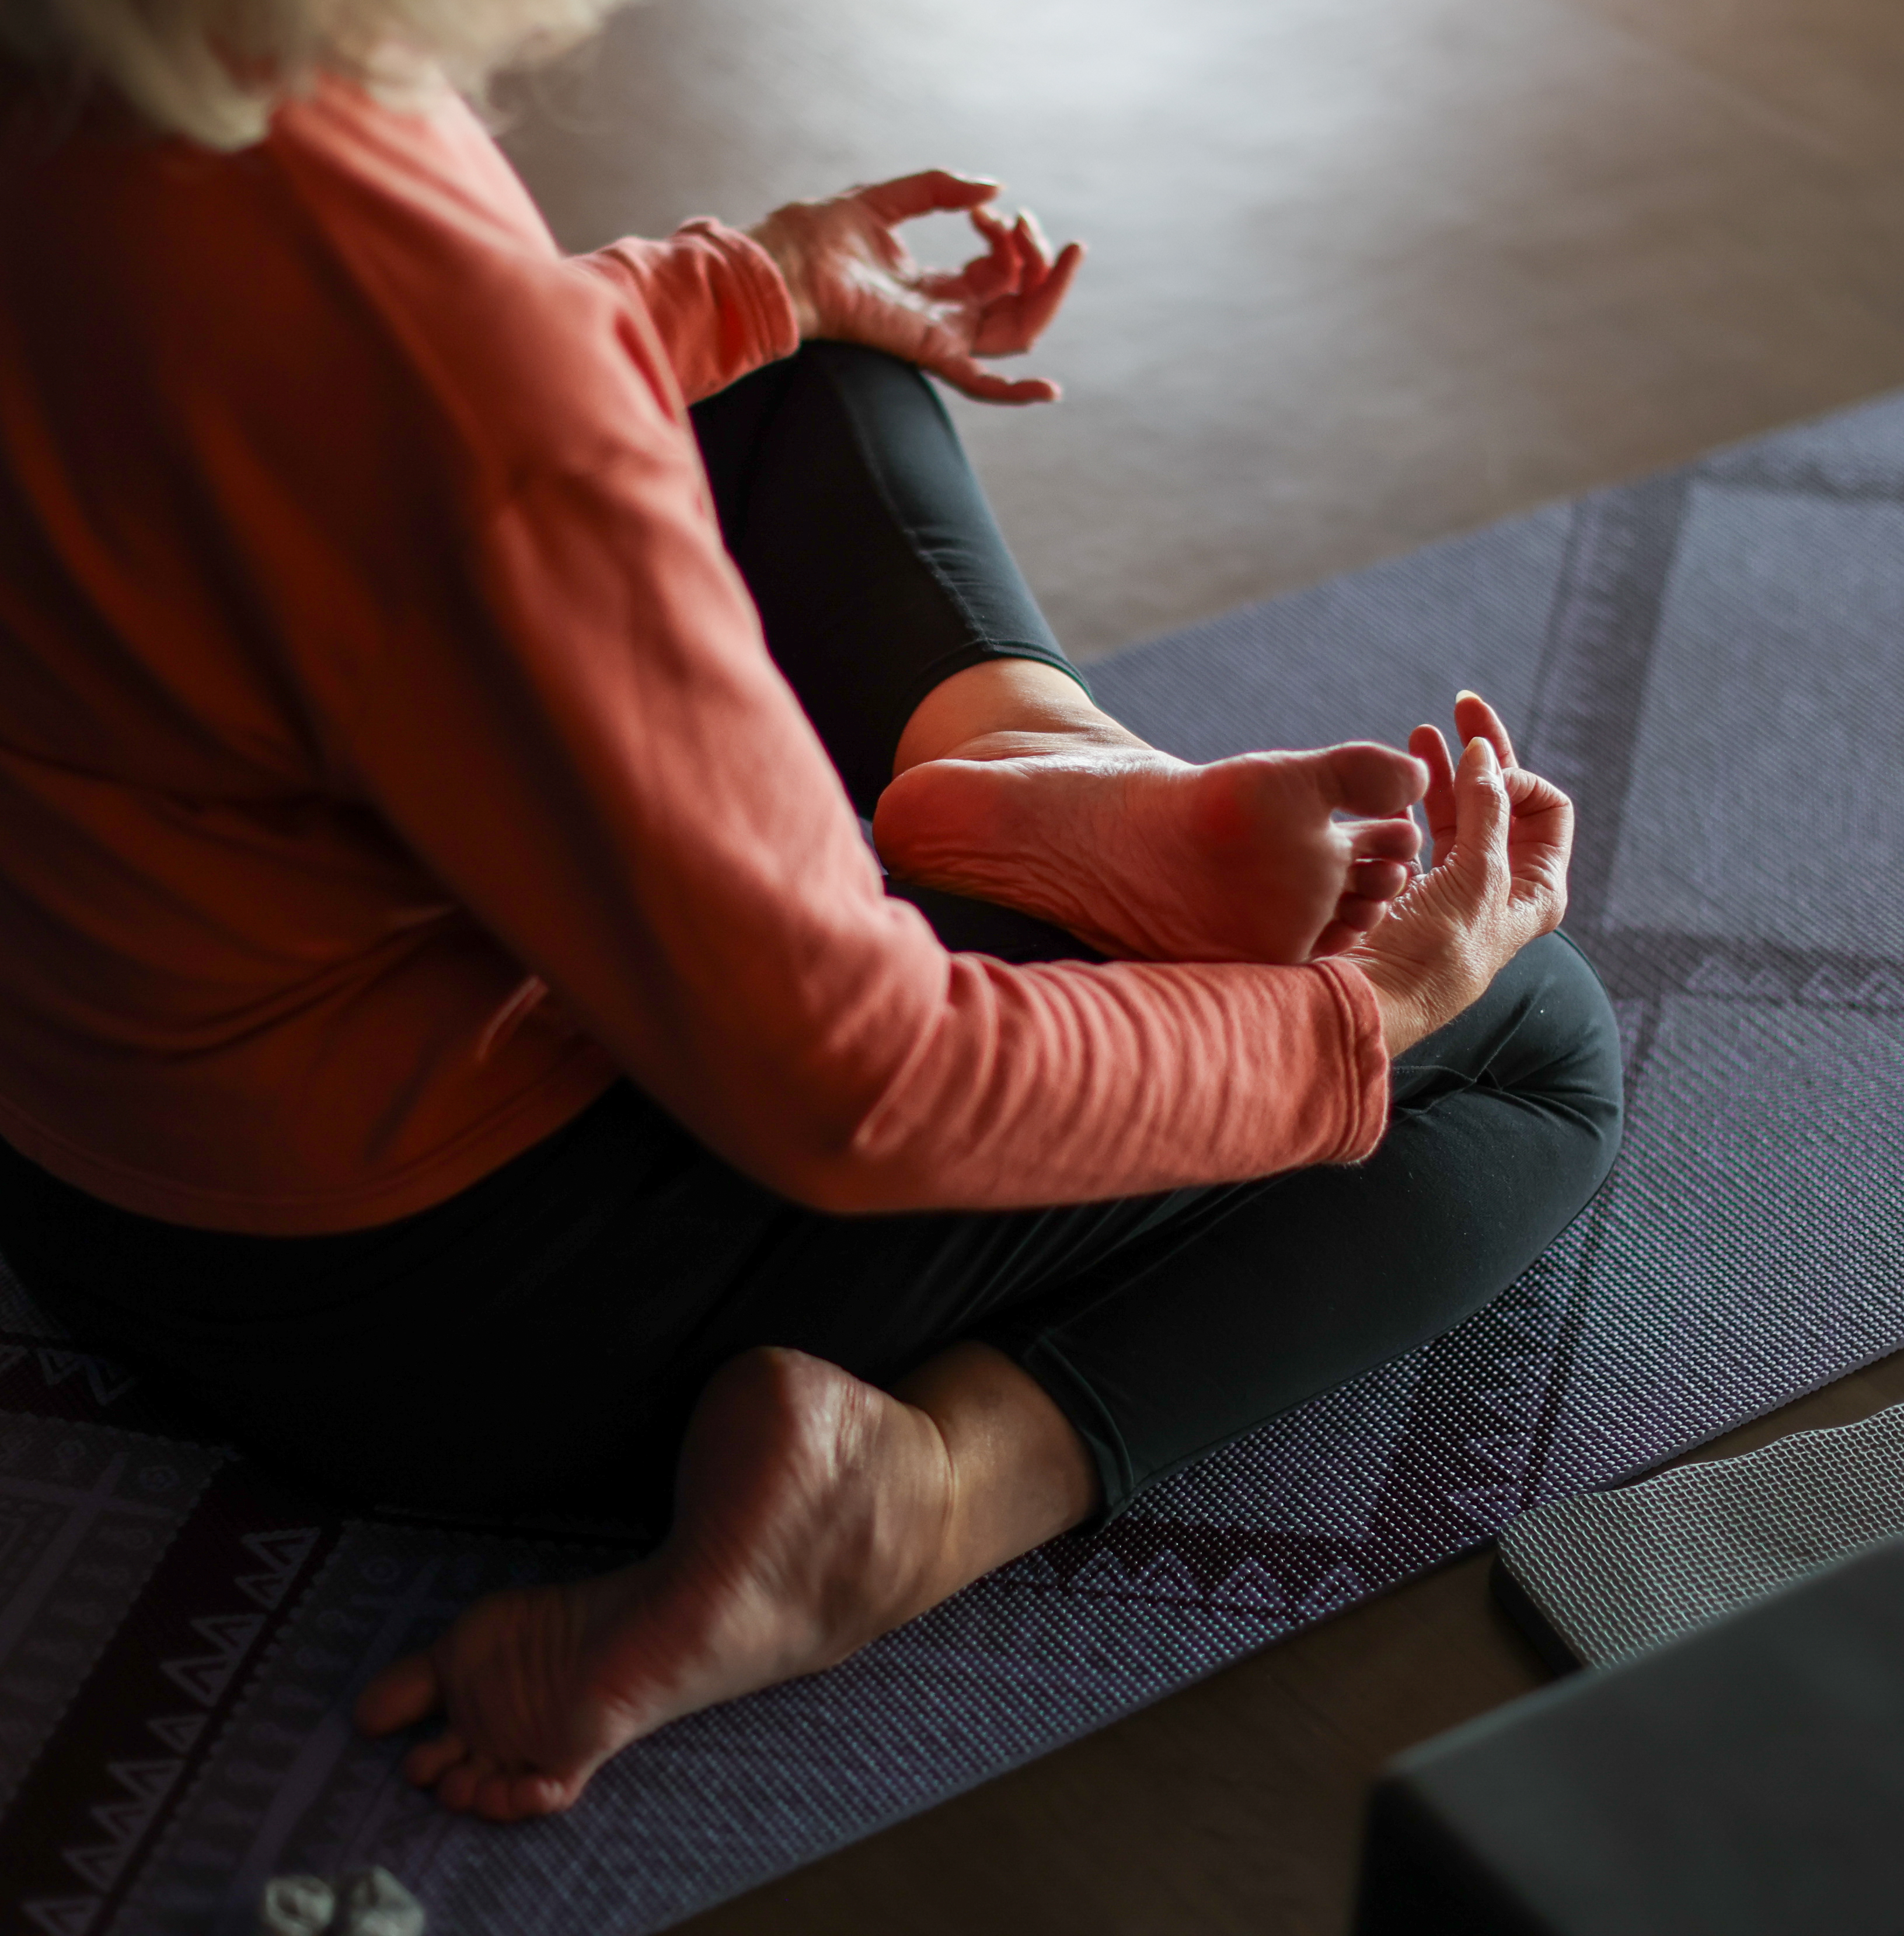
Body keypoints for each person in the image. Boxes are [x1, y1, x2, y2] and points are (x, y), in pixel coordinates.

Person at [0, 0, 1621, 1825]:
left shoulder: (109, 110)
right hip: (442, 1293)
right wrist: (1357, 1022)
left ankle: (1046, 783)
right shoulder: (446, 367)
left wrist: (757, 275)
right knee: (1532, 1045)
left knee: (782, 358)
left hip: (76, 1134)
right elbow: (859, 1090)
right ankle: (916, 1499)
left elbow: (343, 427)